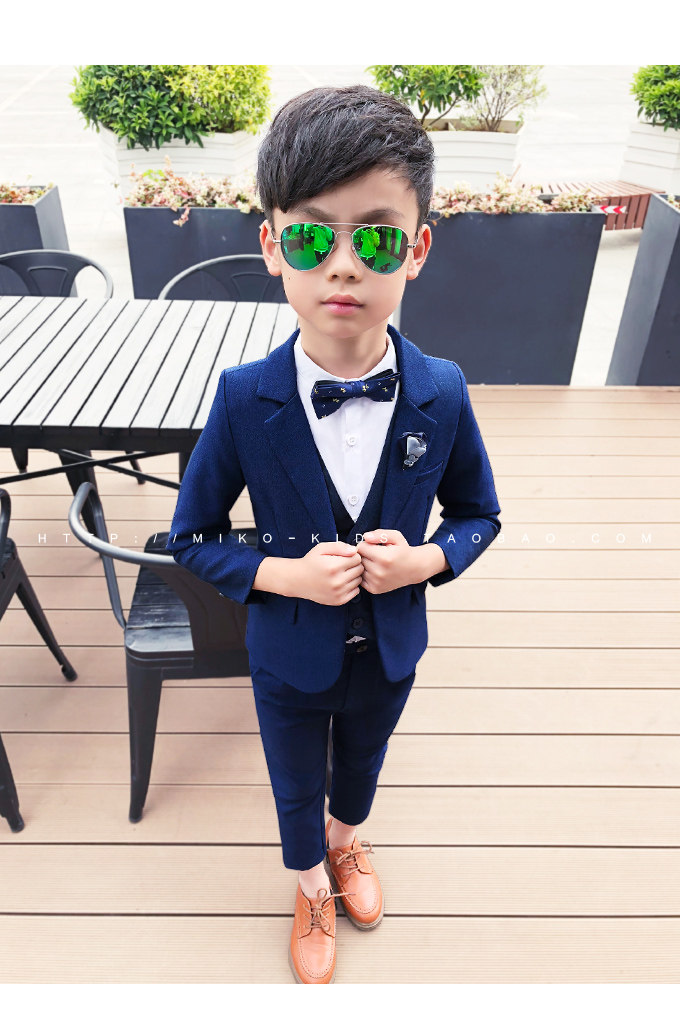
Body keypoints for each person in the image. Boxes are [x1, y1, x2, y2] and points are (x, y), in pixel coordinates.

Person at [166, 83, 502, 984]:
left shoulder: (443, 390)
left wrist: (425, 560)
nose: (344, 266)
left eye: (377, 239)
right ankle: (310, 879)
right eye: (313, 238)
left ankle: (347, 838)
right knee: (292, 777)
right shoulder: (245, 397)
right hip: (286, 650)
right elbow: (190, 536)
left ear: (417, 250)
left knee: (364, 757)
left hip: (392, 644)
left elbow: (480, 514)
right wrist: (283, 575)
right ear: (272, 246)